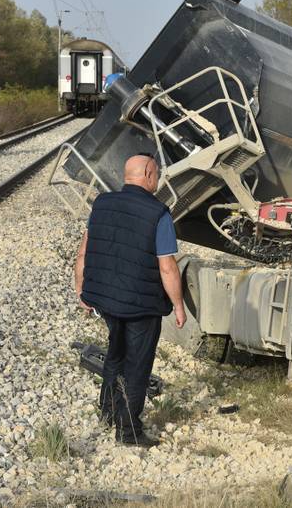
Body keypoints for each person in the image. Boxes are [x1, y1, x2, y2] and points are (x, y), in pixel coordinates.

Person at [74, 154, 186, 447]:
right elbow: (167, 267)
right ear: (148, 174)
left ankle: (108, 412)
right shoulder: (158, 213)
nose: (158, 179)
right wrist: (178, 305)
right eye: (157, 173)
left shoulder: (101, 203)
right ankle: (129, 431)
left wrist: (81, 290)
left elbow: (83, 251)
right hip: (141, 305)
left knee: (115, 354)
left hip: (107, 299)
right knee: (137, 365)